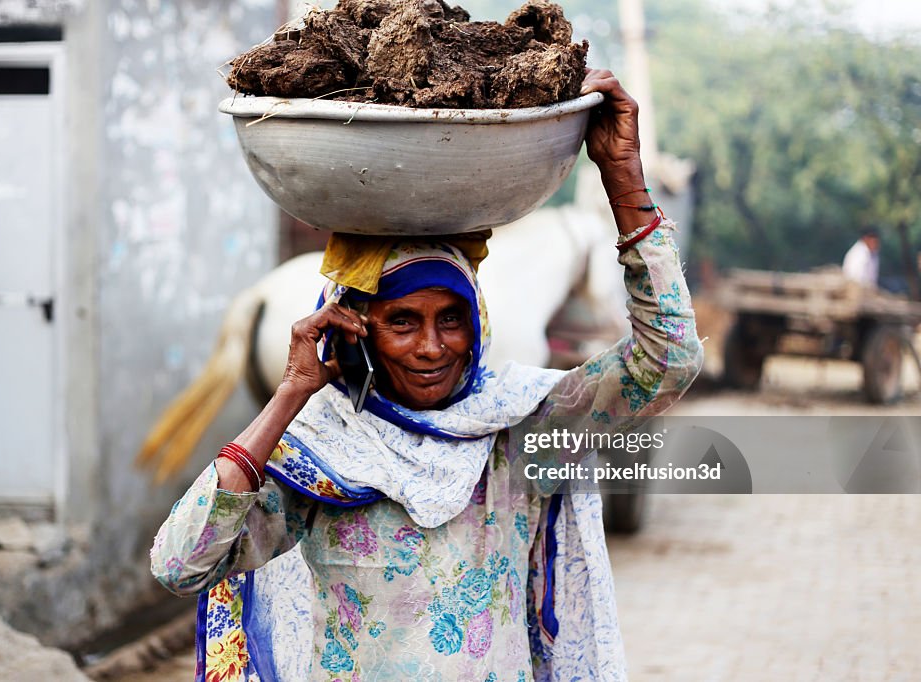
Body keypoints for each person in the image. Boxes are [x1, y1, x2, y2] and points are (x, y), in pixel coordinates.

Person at [150, 70, 703, 682]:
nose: (432, 347)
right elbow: (181, 564)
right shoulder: (323, 458)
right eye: (403, 322)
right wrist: (290, 396)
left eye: (452, 319)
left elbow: (668, 362)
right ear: (358, 329)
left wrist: (622, 176)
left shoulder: (519, 426)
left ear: (478, 326)